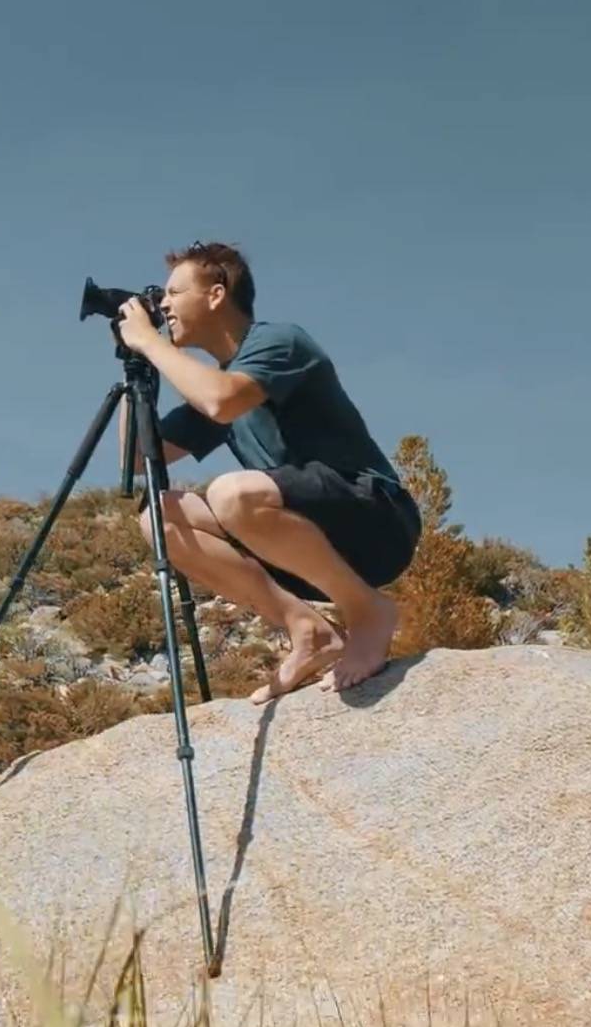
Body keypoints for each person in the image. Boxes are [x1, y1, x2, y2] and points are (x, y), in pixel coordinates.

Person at [112, 240, 420, 700]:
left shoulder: (280, 343)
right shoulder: (214, 382)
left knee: (232, 493)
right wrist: (134, 362)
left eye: (173, 293)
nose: (162, 305)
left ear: (216, 294)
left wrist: (152, 342)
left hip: (374, 518)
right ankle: (308, 630)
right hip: (300, 543)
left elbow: (222, 399)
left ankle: (367, 612)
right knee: (160, 516)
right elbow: (136, 458)